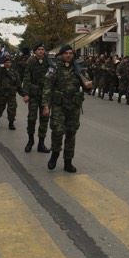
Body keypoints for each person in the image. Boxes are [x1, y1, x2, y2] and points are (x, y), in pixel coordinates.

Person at [42, 44, 92, 173]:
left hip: (74, 106)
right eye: (66, 53)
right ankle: (55, 155)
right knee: (57, 131)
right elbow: (47, 87)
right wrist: (46, 105)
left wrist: (89, 85)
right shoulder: (54, 68)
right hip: (59, 105)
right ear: (61, 55)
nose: (68, 55)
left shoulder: (78, 68)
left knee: (71, 133)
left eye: (70, 53)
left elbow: (87, 85)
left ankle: (68, 162)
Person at [22, 43, 51, 153]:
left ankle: (41, 143)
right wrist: (25, 93)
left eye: (43, 49)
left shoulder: (48, 61)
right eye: (39, 49)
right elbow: (27, 77)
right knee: (31, 118)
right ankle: (30, 141)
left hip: (46, 94)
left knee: (44, 119)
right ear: (35, 51)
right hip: (34, 94)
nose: (41, 51)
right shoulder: (31, 61)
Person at [0, 55, 24, 129]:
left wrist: (23, 94)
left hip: (11, 94)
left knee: (12, 110)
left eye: (9, 62)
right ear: (4, 63)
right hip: (2, 94)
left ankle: (11, 123)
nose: (8, 63)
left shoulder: (14, 72)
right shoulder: (0, 70)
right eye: (6, 62)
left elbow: (18, 83)